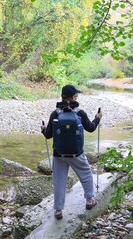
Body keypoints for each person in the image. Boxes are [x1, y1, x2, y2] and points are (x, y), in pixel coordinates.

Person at [41, 84, 103, 220]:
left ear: (62, 97)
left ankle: (58, 210)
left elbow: (48, 135)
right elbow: (91, 128)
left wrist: (43, 129)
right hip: (77, 154)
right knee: (86, 174)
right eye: (76, 95)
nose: (77, 97)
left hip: (59, 154)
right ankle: (90, 201)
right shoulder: (80, 113)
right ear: (73, 97)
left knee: (59, 181)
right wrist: (97, 118)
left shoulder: (55, 113)